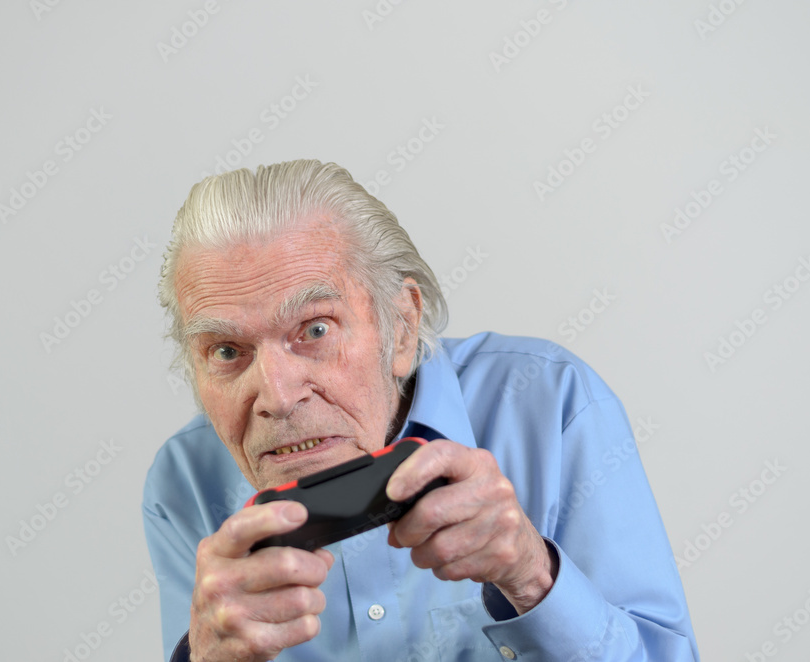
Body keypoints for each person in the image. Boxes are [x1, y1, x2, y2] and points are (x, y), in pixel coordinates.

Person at [142, 159, 699, 662]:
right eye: (226, 351)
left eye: (315, 330)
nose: (278, 397)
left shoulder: (551, 403)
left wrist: (531, 573)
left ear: (402, 327)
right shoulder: (183, 482)